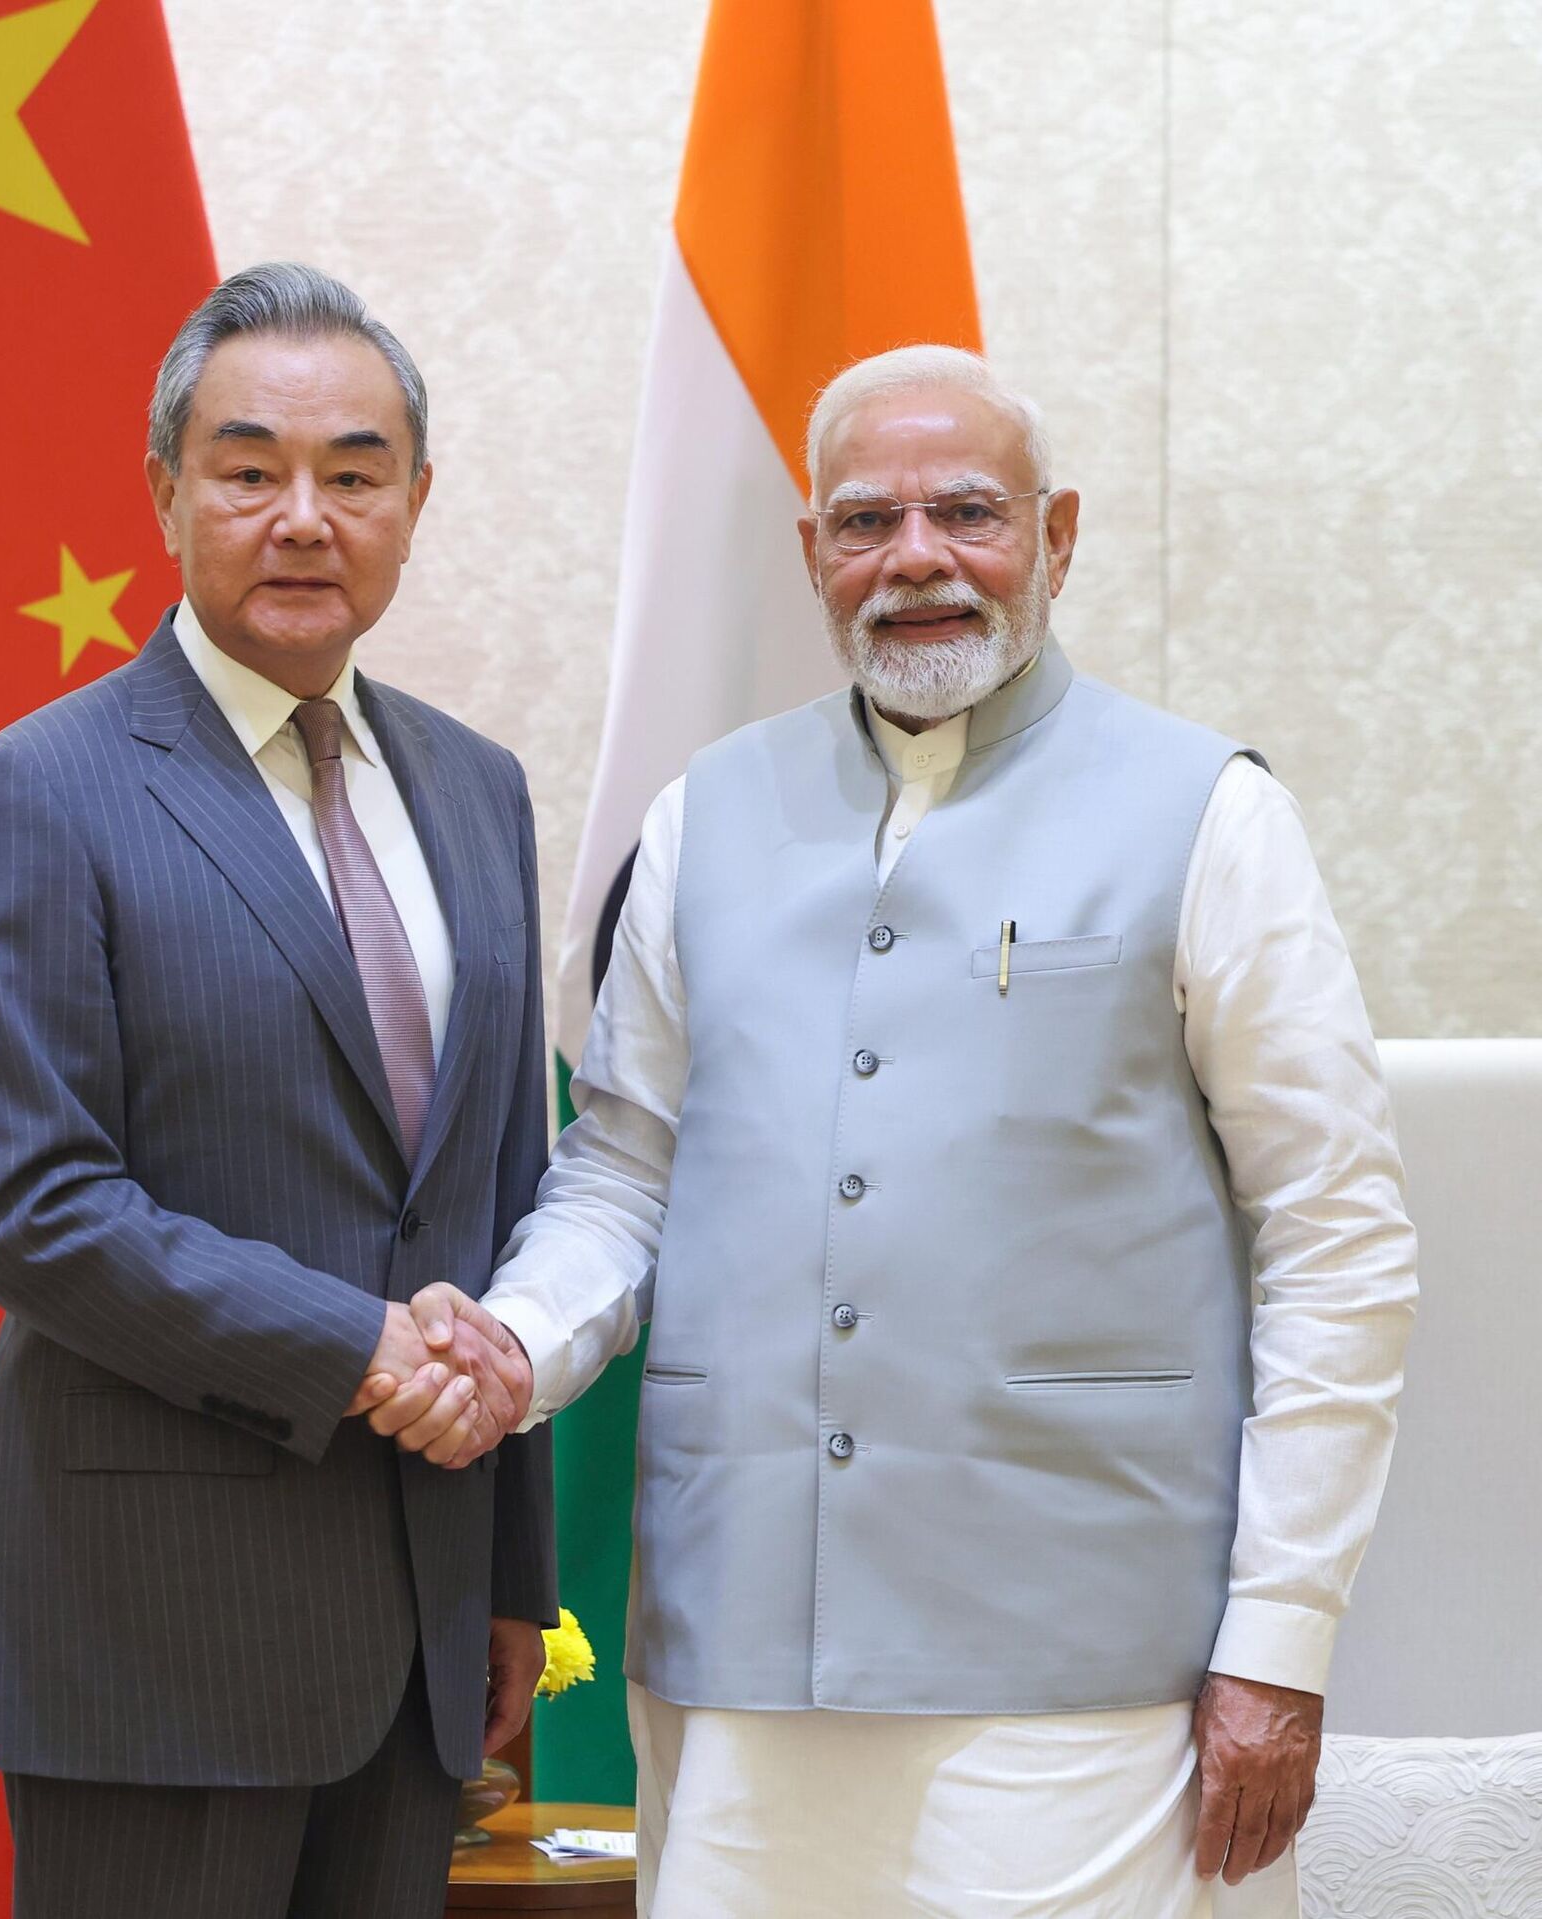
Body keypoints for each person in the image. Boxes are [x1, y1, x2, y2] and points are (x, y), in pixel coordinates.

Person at [372, 347, 1418, 1918]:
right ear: (813, 554)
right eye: (867, 521)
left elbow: (1339, 1239)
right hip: (738, 1655)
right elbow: (625, 1172)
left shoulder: (1211, 813)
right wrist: (517, 1344)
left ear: (1057, 536)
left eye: (968, 513)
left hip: (1086, 1673)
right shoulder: (702, 815)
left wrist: (1282, 1638)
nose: (916, 557)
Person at [0, 261, 547, 1919]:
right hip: (159, 1632)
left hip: (422, 1626)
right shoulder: (38, 791)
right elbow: (31, 1207)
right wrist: (356, 1348)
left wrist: (510, 1577)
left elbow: (501, 1197)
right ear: (166, 494)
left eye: (354, 474)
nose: (303, 519)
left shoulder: (480, 791)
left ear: (416, 503)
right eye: (250, 469)